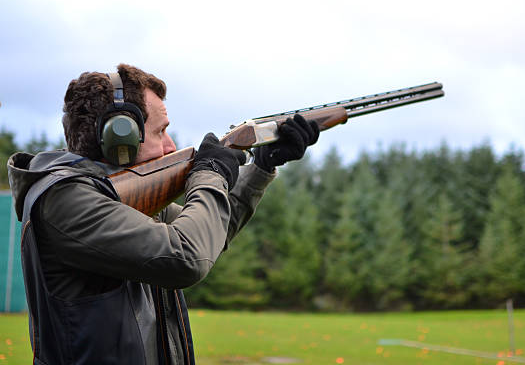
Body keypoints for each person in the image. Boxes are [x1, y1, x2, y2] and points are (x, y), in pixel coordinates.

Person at [7, 64, 319, 365]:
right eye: (161, 131)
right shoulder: (67, 200)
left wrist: (261, 167)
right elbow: (188, 256)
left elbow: (207, 232)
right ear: (121, 138)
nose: (171, 146)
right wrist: (210, 172)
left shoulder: (114, 197)